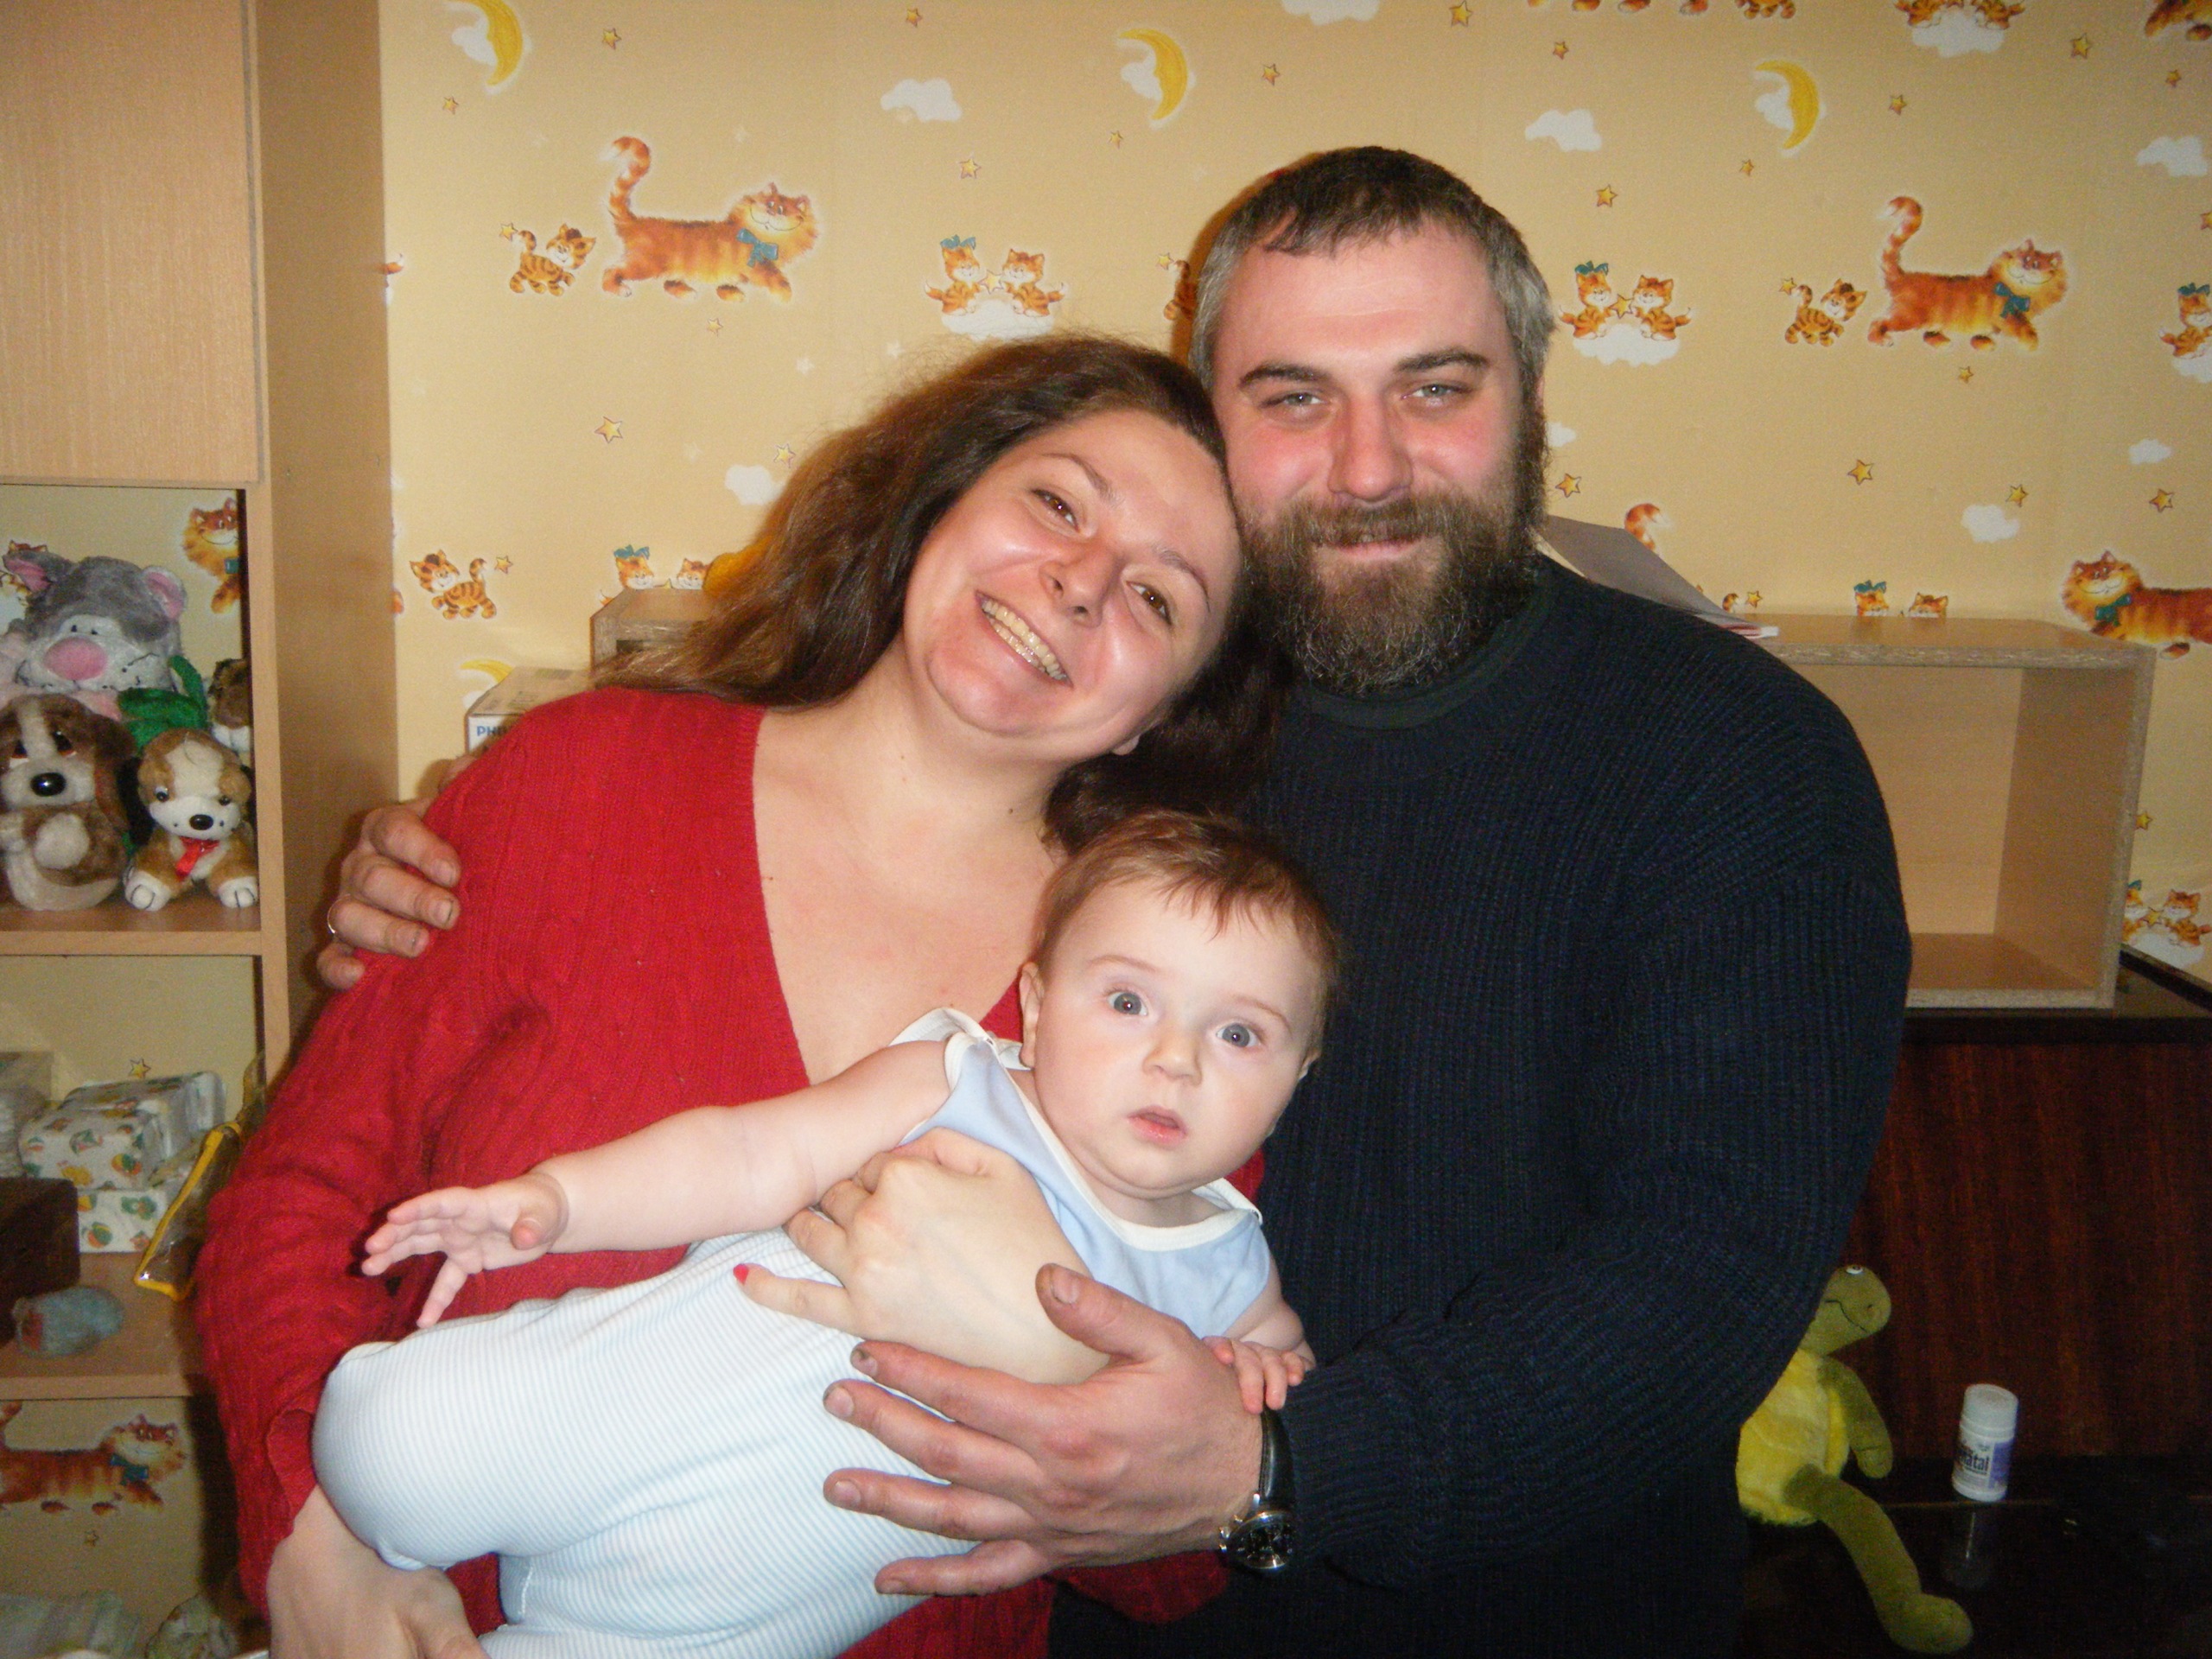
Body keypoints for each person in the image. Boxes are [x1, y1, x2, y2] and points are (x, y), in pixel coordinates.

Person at [325, 149, 1912, 1655]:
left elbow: (1702, 1280)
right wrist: (441, 869)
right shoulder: (1150, 739)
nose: (1368, 467)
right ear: (1224, 424)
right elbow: (841, 798)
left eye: (1436, 388)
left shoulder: (1738, 760)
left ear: (1532, 399)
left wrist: (1272, 1467)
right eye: (1295, 397)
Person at [195, 335, 1278, 1659]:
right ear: (939, 503)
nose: (1081, 581)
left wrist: (1059, 1354)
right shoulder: (574, 781)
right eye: (1057, 503)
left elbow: (1173, 1571)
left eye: (1158, 598)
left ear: (1159, 712)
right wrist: (310, 1538)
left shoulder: (1175, 1001)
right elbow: (302, 1196)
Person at [310, 810, 1331, 1659]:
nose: (1175, 1060)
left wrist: (1261, 1378)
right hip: (657, 1388)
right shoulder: (959, 1082)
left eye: (1239, 1033)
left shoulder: (1230, 1266)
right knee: (388, 1446)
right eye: (1127, 1001)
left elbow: (1262, 1410)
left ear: (1298, 1076)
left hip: (795, 1557)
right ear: (1034, 1003)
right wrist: (557, 1202)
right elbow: (751, 1153)